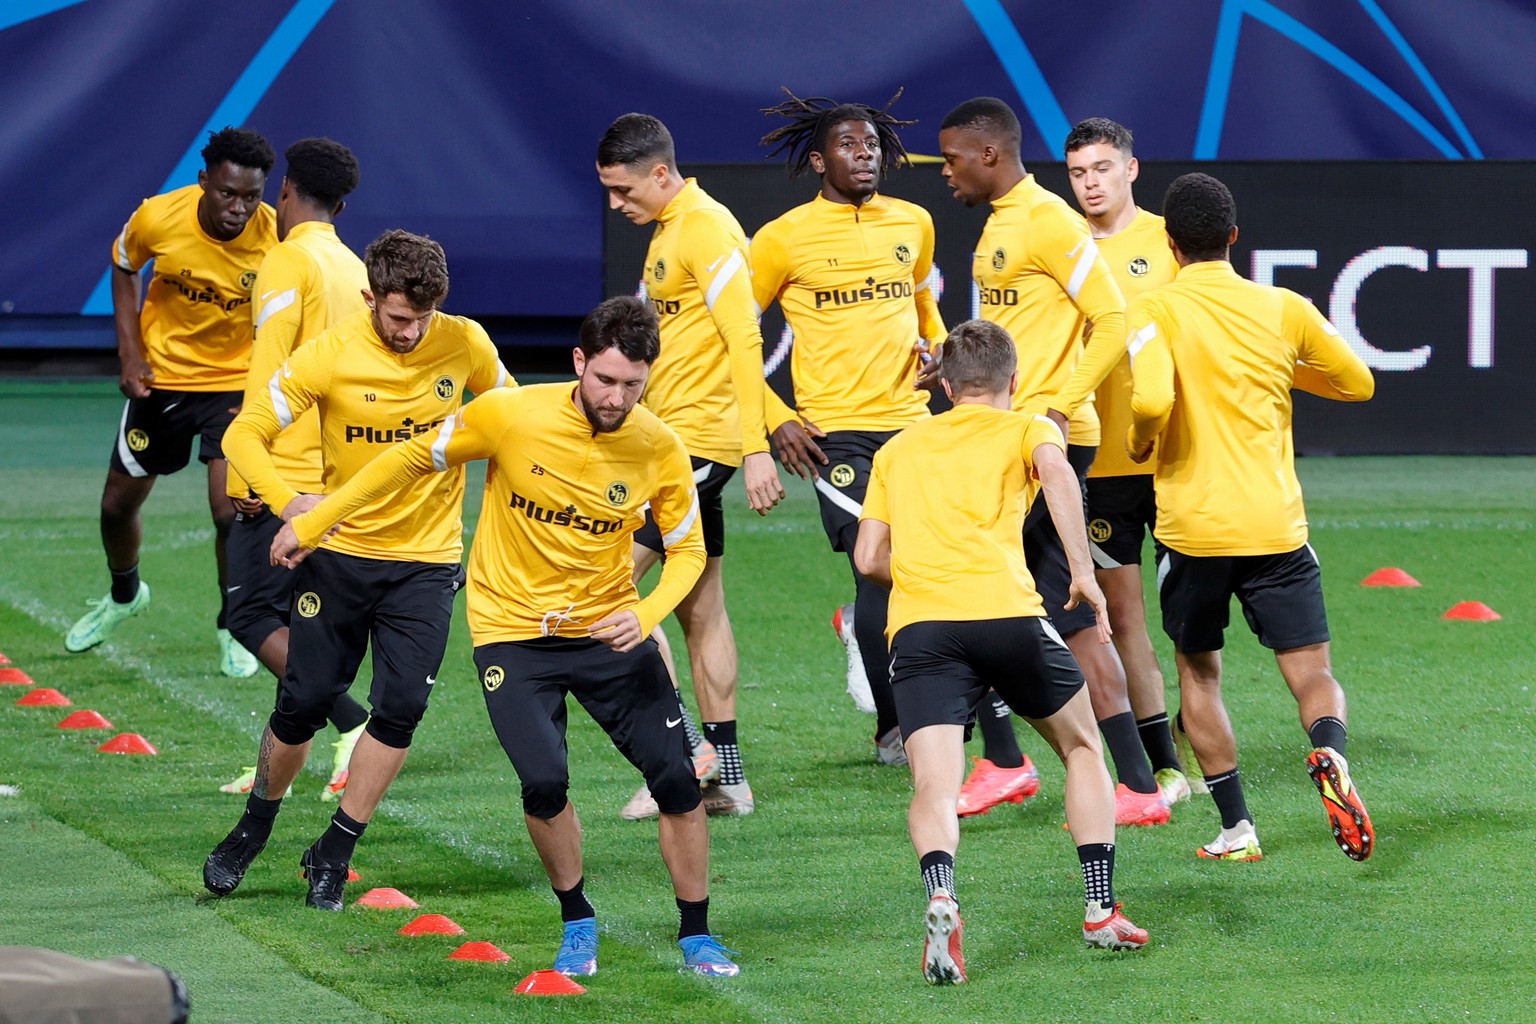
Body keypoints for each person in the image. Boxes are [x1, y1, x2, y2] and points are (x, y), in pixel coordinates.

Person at [271, 296, 741, 977]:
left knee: (675, 778)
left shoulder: (660, 447)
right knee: (545, 783)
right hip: (512, 636)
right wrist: (315, 523)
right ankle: (577, 919)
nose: (615, 397)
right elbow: (406, 460)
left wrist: (646, 613)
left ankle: (697, 932)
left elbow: (688, 551)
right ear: (579, 362)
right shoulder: (510, 414)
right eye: (605, 380)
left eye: (632, 386)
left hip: (610, 628)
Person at [201, 229, 513, 911]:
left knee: (400, 709)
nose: (412, 331)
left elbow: (511, 423)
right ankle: (254, 827)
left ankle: (335, 853)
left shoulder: (465, 344)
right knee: (305, 703)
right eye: (401, 317)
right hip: (340, 559)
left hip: (427, 563)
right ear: (371, 297)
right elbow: (240, 436)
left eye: (424, 318)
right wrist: (291, 504)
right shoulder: (330, 356)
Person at [854, 320, 1148, 984]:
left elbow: (869, 556)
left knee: (935, 784)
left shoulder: (899, 448)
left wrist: (925, 575)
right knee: (1080, 747)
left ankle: (940, 891)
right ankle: (1100, 909)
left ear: (946, 385)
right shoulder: (1027, 427)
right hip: (1009, 617)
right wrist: (1080, 569)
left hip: (923, 628)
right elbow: (1057, 471)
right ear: (1012, 381)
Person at [1127, 172, 1376, 862]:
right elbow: (1358, 381)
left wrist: (1143, 442)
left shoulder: (1156, 310)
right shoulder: (1283, 307)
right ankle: (1328, 751)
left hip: (1193, 530)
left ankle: (1237, 828)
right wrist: (1278, 369)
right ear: (1234, 237)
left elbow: (1148, 404)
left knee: (1200, 677)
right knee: (1312, 671)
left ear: (1170, 244)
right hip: (1275, 526)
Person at [935, 97, 1166, 825]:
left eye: (953, 159)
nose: (946, 173)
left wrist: (1060, 406)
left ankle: (1122, 780)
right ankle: (1032, 763)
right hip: (1013, 432)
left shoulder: (1048, 221)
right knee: (995, 595)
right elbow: (1019, 334)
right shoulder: (1005, 225)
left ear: (991, 156)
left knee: (1051, 604)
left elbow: (1114, 318)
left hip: (1048, 438)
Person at [596, 113, 787, 819]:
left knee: (613, 583)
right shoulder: (671, 231)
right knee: (701, 606)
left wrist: (757, 443)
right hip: (678, 442)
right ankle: (728, 776)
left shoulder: (705, 227)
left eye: (622, 188)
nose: (616, 203)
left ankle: (681, 754)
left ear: (657, 172)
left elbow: (744, 334)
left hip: (700, 447)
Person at [753, 88, 946, 765]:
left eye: (871, 146)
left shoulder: (914, 223)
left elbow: (924, 305)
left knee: (929, 566)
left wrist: (939, 351)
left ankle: (943, 707)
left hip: (914, 427)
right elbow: (727, 337)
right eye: (848, 146)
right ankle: (895, 728)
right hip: (836, 435)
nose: (864, 155)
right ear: (817, 161)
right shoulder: (781, 239)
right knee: (877, 571)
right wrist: (775, 417)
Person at [64, 127, 277, 678]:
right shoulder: (158, 217)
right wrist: (130, 353)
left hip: (235, 385)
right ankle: (125, 593)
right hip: (163, 380)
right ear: (204, 180)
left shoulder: (277, 239)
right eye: (227, 193)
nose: (238, 208)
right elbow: (124, 266)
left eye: (251, 196)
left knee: (230, 512)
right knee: (116, 506)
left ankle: (233, 625)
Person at [219, 138, 371, 801]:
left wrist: (243, 476)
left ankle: (353, 720)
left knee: (250, 615)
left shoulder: (285, 261)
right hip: (338, 472)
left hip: (287, 473)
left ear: (284, 191)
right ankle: (274, 764)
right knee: (302, 621)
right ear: (340, 203)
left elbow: (270, 366)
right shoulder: (351, 265)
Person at [1063, 118, 1191, 803]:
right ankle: (1163, 763)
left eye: (1102, 168)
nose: (1090, 183)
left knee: (1189, 617)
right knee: (1125, 616)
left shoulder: (1169, 240)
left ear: (1131, 170)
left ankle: (1200, 729)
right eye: (1080, 171)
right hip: (1100, 465)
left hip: (1172, 459)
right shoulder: (1060, 245)